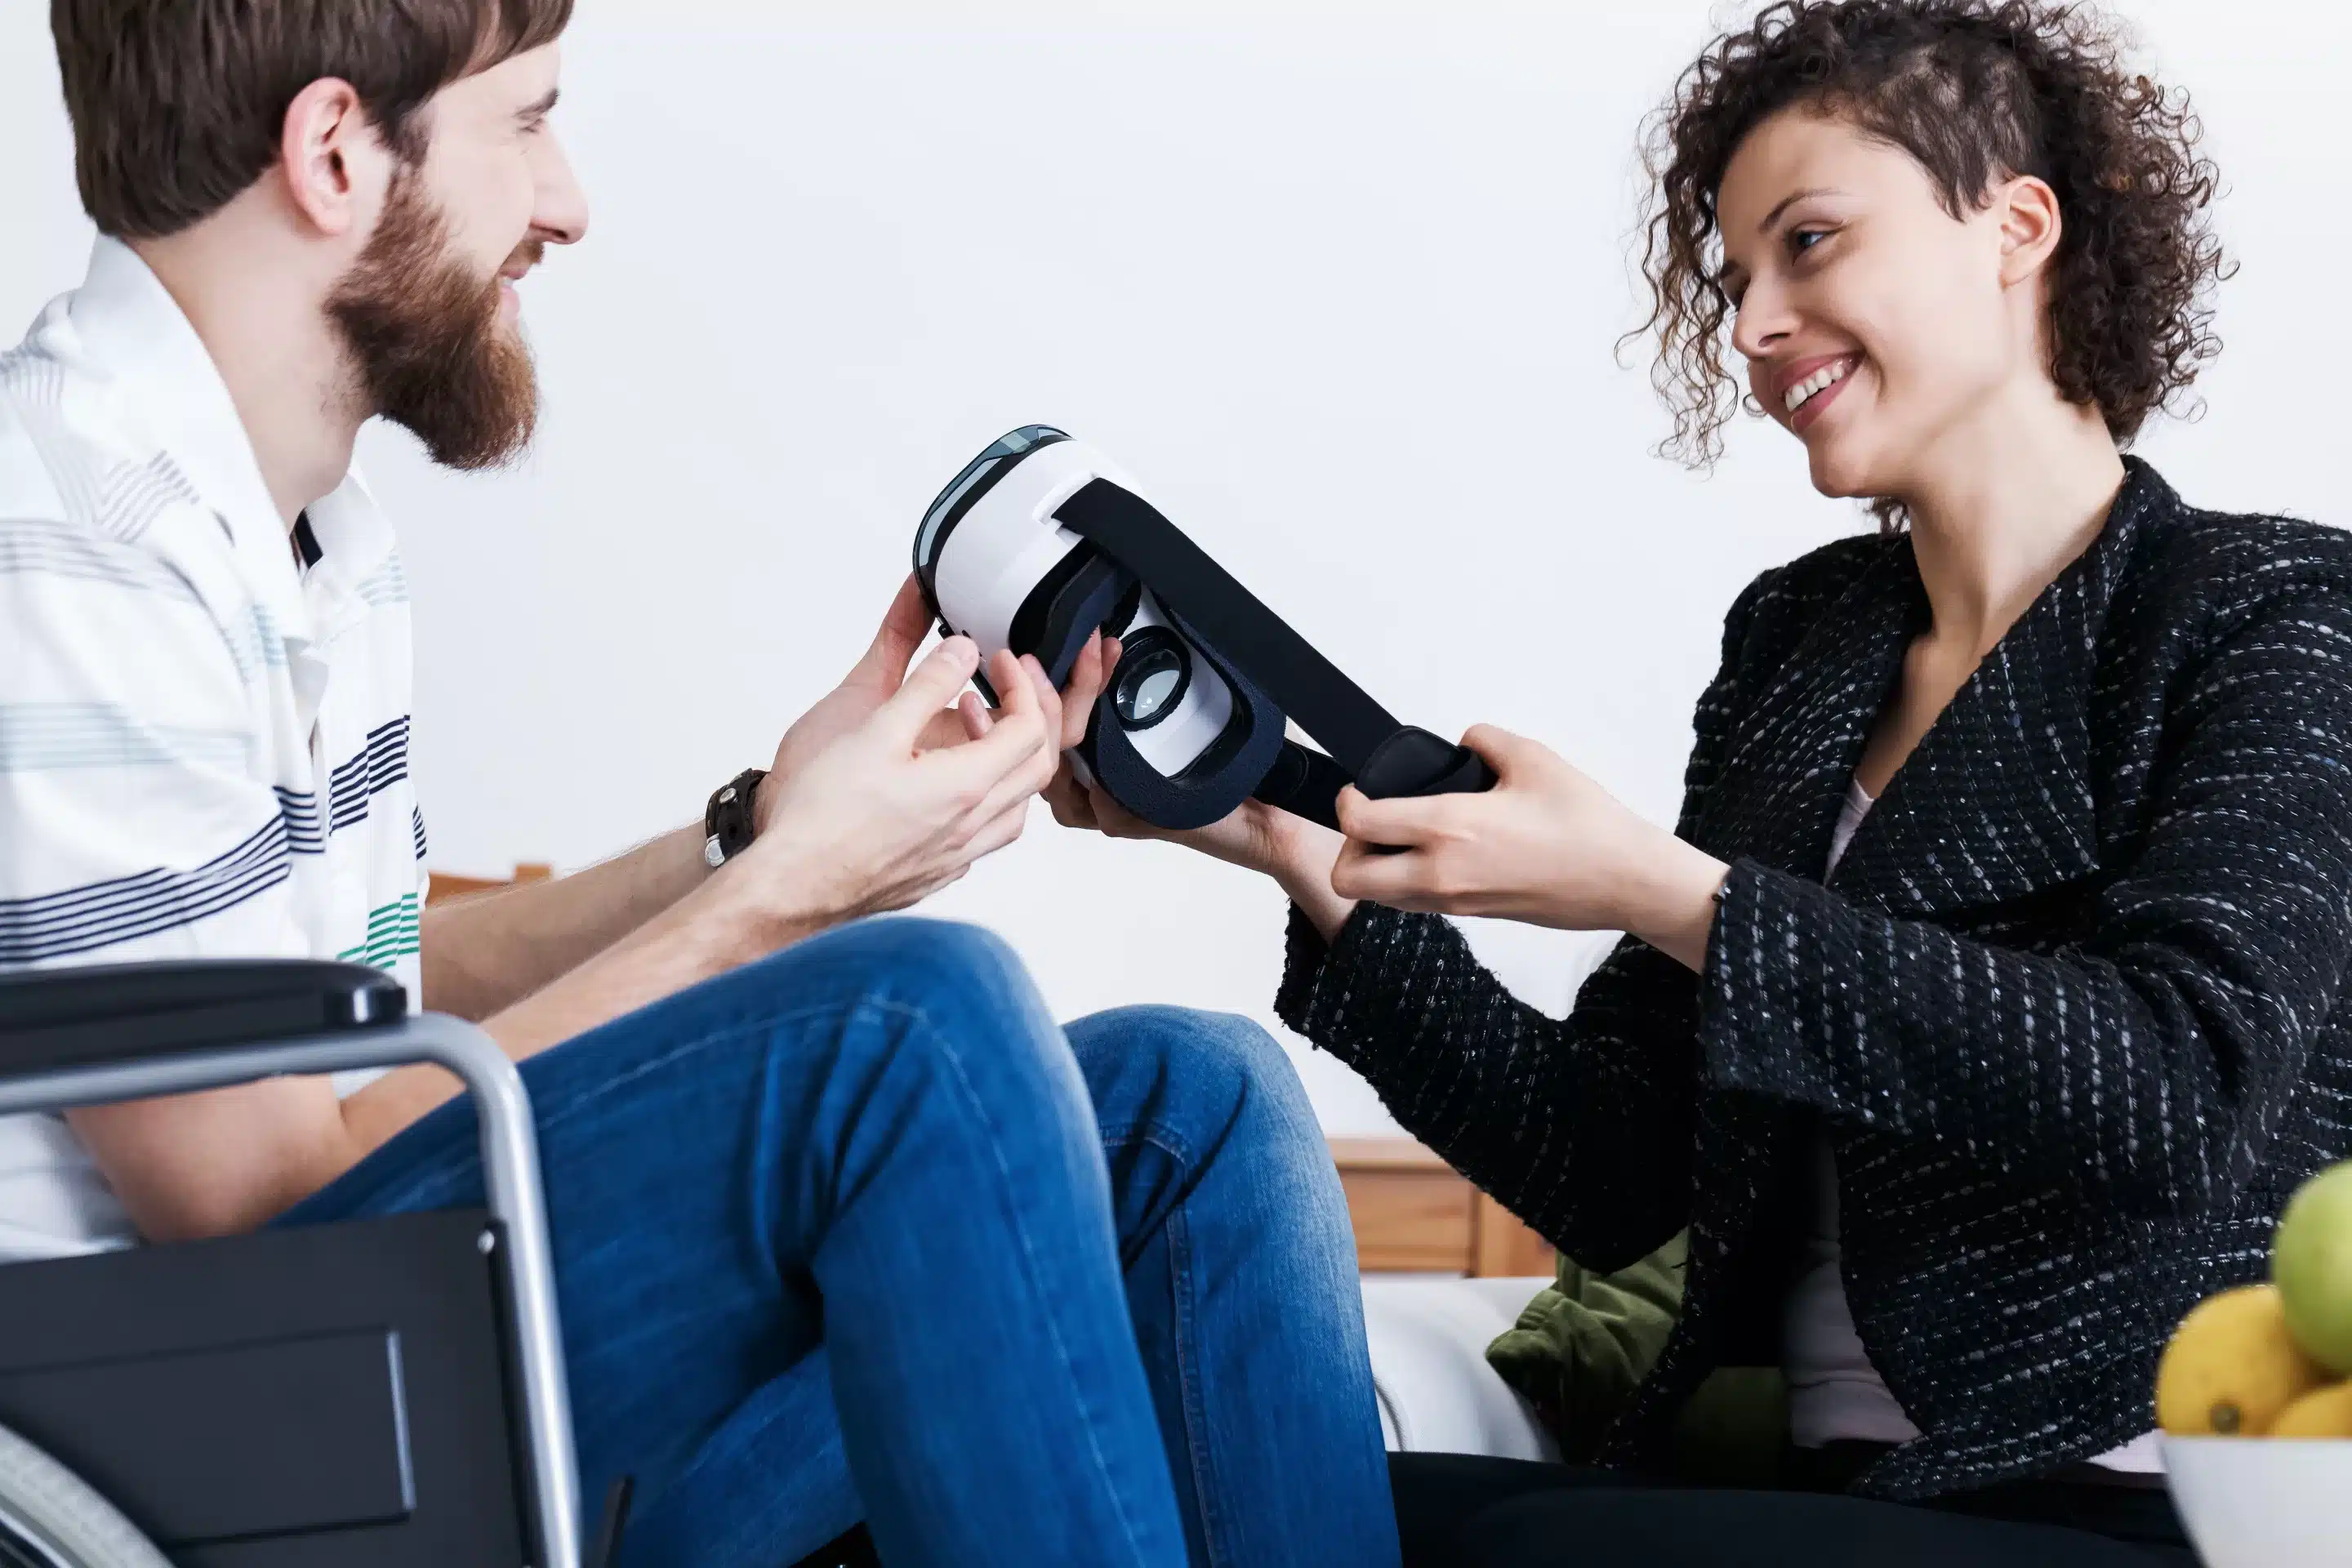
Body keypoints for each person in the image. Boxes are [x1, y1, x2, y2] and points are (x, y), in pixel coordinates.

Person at [0, 3, 1404, 1565]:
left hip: (359, 1351)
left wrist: (746, 834)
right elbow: (255, 1190)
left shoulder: (304, 537)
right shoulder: (63, 531)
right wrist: (779, 901)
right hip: (216, 1436)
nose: (569, 203)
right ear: (336, 152)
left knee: (1189, 1109)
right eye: (526, 121)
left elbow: (367, 1011)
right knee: (909, 1028)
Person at [1051, 2, 2350, 1563]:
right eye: (1738, 277)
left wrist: (1659, 892)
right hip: (1814, 1503)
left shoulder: (2273, 614)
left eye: (1810, 243)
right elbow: (1616, 1171)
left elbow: (2175, 1093)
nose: (1750, 323)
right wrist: (1288, 842)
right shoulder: (1801, 645)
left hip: (2116, 1497)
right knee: (1235, 1498)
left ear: (2017, 227)